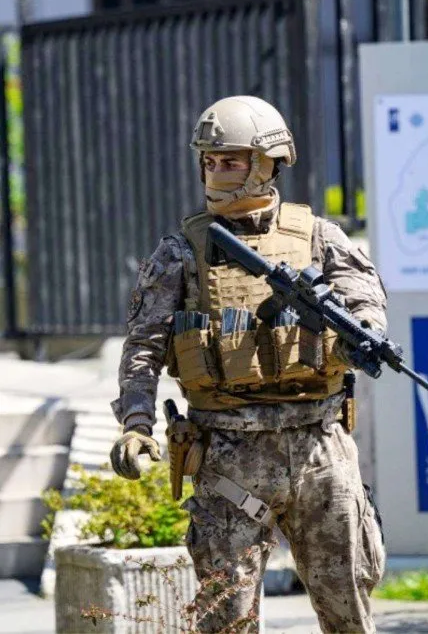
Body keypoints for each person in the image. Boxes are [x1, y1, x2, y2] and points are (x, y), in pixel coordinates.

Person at [108, 95, 387, 632]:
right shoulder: (181, 252)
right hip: (226, 455)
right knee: (226, 619)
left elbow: (364, 301)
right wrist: (136, 425)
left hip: (319, 448)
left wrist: (363, 336)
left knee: (349, 608)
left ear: (267, 163)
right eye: (209, 161)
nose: (216, 172)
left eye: (230, 160)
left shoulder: (319, 238)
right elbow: (142, 346)